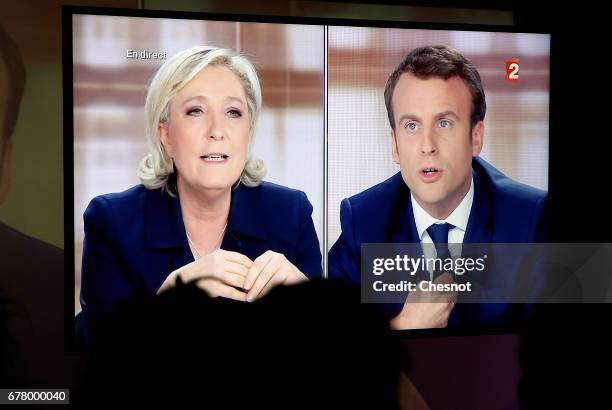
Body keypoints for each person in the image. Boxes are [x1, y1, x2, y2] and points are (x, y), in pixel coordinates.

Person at [78, 46, 322, 344]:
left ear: (250, 130)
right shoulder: (112, 220)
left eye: (233, 112)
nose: (217, 131)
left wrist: (312, 304)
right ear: (165, 135)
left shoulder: (291, 212)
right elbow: (93, 354)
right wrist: (166, 300)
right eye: (196, 111)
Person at [328, 45, 547, 330]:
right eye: (411, 126)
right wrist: (402, 327)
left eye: (444, 123)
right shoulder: (364, 220)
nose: (427, 146)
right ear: (394, 145)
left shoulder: (531, 218)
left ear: (476, 137)